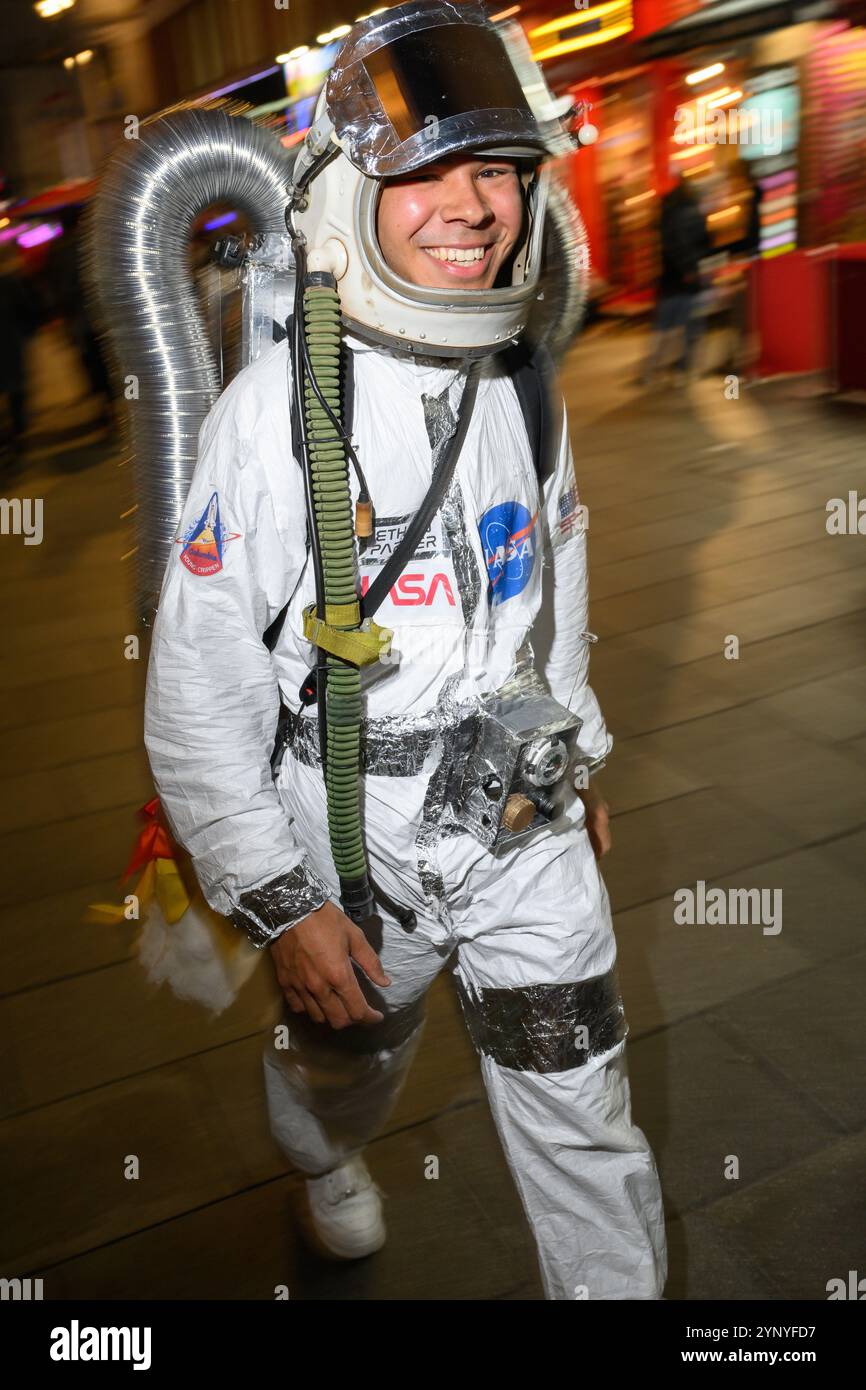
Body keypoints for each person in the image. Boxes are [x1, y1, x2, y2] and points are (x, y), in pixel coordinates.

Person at [144, 0, 668, 1300]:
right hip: (348, 821)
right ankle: (320, 1157)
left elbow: (553, 582)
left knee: (580, 1103)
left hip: (521, 813)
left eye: (494, 166)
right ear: (349, 187)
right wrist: (278, 898)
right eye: (428, 166)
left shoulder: (523, 375)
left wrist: (576, 757)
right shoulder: (276, 412)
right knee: (348, 1069)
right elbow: (197, 678)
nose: (470, 203)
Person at [641, 175, 711, 385]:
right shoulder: (692, 213)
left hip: (669, 279)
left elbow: (667, 245)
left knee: (663, 326)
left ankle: (652, 369)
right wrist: (690, 268)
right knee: (691, 325)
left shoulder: (667, 213)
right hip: (689, 278)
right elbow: (703, 242)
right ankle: (683, 370)